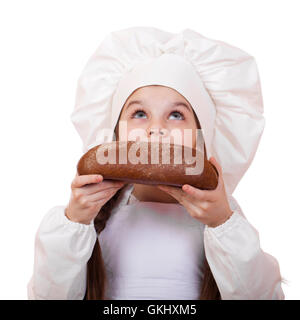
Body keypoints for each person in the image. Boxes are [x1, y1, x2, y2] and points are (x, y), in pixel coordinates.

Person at [27, 27, 285, 300]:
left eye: (176, 115)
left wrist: (221, 221)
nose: (156, 129)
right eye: (139, 113)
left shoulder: (222, 217)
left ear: (201, 137)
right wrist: (75, 220)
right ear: (115, 135)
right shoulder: (94, 217)